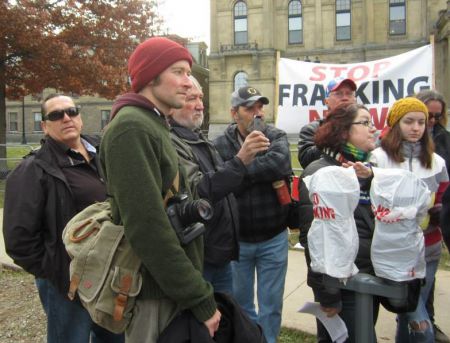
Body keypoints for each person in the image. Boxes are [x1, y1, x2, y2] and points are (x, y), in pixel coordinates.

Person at [99, 37, 220, 343]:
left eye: (189, 72)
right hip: (154, 292)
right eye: (178, 71)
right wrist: (199, 297)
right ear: (150, 76)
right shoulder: (132, 128)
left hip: (169, 288)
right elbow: (147, 227)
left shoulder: (152, 123)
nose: (188, 83)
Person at [3, 94, 124, 343]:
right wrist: (56, 273)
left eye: (72, 111)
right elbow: (19, 240)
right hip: (68, 283)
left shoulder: (103, 151)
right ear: (45, 126)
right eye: (56, 115)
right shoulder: (33, 169)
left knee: (115, 338)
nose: (66, 118)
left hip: (110, 274)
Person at [168, 76, 270, 294]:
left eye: (201, 98)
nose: (199, 105)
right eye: (191, 98)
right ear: (172, 104)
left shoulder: (199, 139)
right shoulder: (171, 143)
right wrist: (240, 160)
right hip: (201, 256)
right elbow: (200, 191)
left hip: (221, 253)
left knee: (226, 320)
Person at [213, 86, 292, 343]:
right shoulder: (219, 144)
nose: (257, 113)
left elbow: (280, 164)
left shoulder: (275, 136)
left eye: (260, 107)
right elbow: (219, 180)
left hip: (274, 237)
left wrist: (238, 169)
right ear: (234, 113)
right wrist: (246, 167)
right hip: (239, 241)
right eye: (249, 108)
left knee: (272, 306)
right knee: (242, 306)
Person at [370, 97, 449, 343]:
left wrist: (436, 213)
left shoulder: (437, 162)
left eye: (421, 122)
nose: (416, 128)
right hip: (394, 252)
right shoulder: (378, 159)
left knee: (409, 318)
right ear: (395, 123)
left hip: (429, 250)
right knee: (421, 328)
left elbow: (443, 200)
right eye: (408, 121)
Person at [297, 104, 378, 342]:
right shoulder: (320, 173)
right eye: (365, 123)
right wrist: (327, 293)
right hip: (341, 284)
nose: (373, 129)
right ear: (343, 132)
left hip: (368, 276)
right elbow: (313, 240)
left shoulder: (370, 171)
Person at [415, 89, 450, 343]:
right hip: (410, 230)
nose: (433, 122)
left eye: (438, 117)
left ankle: (429, 322)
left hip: (438, 223)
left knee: (428, 280)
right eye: (429, 115)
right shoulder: (398, 145)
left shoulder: (444, 141)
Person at [297, 77, 357, 168]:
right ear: (326, 101)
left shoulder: (366, 127)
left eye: (349, 94)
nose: (345, 98)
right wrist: (331, 134)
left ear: (355, 99)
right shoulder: (312, 129)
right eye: (339, 94)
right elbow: (306, 161)